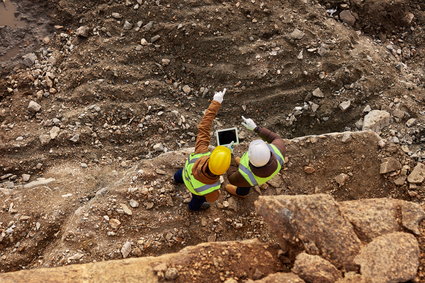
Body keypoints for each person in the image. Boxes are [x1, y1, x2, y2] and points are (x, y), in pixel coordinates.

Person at [174, 89, 231, 211]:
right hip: (196, 191)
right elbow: (212, 199)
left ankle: (176, 179)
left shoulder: (201, 152)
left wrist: (216, 102)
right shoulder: (213, 187)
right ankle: (193, 208)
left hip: (186, 175)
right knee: (197, 201)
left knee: (179, 174)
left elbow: (204, 127)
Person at [225, 116, 286, 197]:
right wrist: (256, 128)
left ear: (250, 160)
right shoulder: (279, 152)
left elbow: (231, 177)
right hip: (264, 174)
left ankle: (241, 193)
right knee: (247, 181)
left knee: (244, 186)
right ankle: (241, 167)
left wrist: (230, 155)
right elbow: (275, 137)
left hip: (248, 180)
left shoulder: (246, 176)